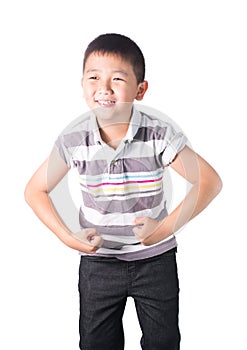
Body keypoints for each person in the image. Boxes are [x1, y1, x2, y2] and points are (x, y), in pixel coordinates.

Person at [24, 33, 222, 350]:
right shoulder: (75, 139)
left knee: (163, 341)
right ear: (82, 84)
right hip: (98, 264)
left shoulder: (158, 133)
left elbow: (209, 182)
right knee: (96, 343)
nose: (103, 88)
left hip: (154, 262)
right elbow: (35, 190)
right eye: (94, 77)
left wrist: (162, 229)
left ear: (140, 90)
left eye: (117, 79)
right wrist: (68, 237)